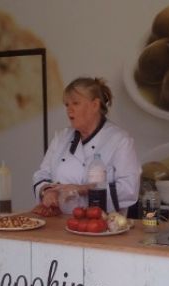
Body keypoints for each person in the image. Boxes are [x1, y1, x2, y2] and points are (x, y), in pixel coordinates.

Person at [33, 77, 141, 214]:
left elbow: (129, 189)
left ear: (95, 105)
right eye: (67, 105)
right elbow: (42, 174)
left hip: (103, 223)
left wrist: (83, 189)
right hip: (60, 222)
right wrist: (48, 191)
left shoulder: (120, 140)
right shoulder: (61, 138)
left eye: (75, 103)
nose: (69, 110)